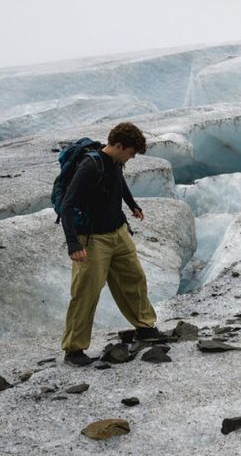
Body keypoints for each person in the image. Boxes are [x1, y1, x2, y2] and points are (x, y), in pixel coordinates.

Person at [59, 121, 161, 366]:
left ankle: (145, 328)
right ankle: (74, 350)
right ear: (118, 145)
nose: (131, 158)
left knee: (134, 278)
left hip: (118, 232)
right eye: (131, 153)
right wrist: (73, 243)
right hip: (94, 240)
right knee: (86, 292)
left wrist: (132, 204)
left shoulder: (115, 162)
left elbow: (119, 183)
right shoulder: (90, 166)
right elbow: (67, 204)